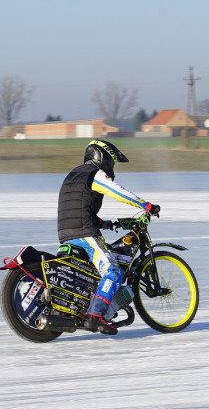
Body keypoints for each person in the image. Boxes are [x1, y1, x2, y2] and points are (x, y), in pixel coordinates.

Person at [57, 139, 160, 335]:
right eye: (112, 161)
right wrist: (146, 205)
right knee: (113, 271)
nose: (112, 167)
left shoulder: (74, 174)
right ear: (103, 157)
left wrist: (104, 224)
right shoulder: (94, 173)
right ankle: (95, 316)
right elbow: (119, 192)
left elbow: (78, 206)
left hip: (65, 232)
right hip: (83, 232)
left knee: (95, 272)